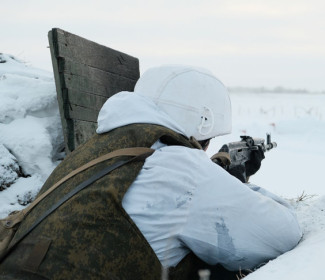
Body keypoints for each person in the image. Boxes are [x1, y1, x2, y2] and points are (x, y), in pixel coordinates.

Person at [0, 65, 302, 279]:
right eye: (207, 142)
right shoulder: (180, 168)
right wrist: (233, 182)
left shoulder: (96, 150)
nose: (205, 149)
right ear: (203, 123)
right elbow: (281, 234)